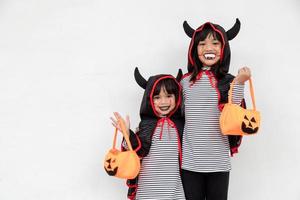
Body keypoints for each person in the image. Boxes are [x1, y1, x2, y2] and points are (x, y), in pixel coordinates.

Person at [180, 19, 251, 200]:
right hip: (190, 162)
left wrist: (240, 82)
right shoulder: (185, 82)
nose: (208, 48)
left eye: (215, 43)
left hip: (218, 162)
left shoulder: (228, 81)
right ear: (194, 50)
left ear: (223, 48)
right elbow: (176, 113)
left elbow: (234, 111)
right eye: (202, 44)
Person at [111, 67, 186, 200]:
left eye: (169, 96)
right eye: (157, 97)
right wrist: (128, 134)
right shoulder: (147, 125)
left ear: (176, 97)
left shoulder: (180, 124)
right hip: (148, 189)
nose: (163, 102)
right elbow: (139, 151)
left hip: (174, 188)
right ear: (149, 99)